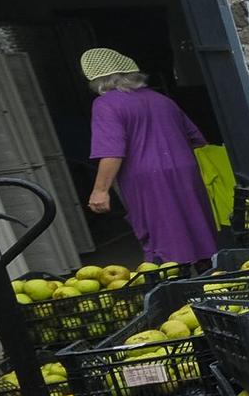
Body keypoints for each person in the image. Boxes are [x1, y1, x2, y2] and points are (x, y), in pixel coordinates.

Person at [80, 47, 219, 264]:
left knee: (161, 236)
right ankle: (212, 275)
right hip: (186, 171)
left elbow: (112, 152)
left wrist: (100, 191)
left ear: (98, 82)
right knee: (198, 228)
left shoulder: (105, 105)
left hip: (146, 177)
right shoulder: (161, 100)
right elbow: (197, 140)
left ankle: (176, 285)